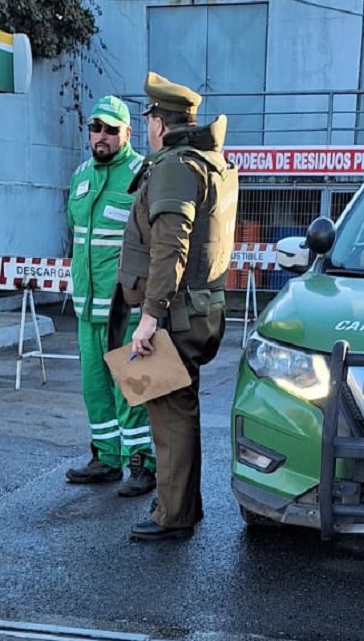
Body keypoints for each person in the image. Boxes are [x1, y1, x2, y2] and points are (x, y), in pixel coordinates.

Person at [108, 73, 239, 541]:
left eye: (148, 118)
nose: (147, 126)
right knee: (178, 410)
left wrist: (149, 316)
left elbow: (171, 246)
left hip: (175, 312)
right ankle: (184, 506)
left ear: (159, 122)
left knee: (168, 413)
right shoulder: (210, 161)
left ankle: (174, 515)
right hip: (199, 309)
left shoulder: (175, 165)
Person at [65, 95, 157, 497]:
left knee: (132, 389)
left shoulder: (143, 174)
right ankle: (106, 457)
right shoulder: (81, 175)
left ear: (127, 133)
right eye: (95, 128)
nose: (100, 136)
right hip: (87, 308)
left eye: (110, 129)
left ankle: (142, 464)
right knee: (95, 388)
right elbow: (75, 232)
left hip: (127, 310)